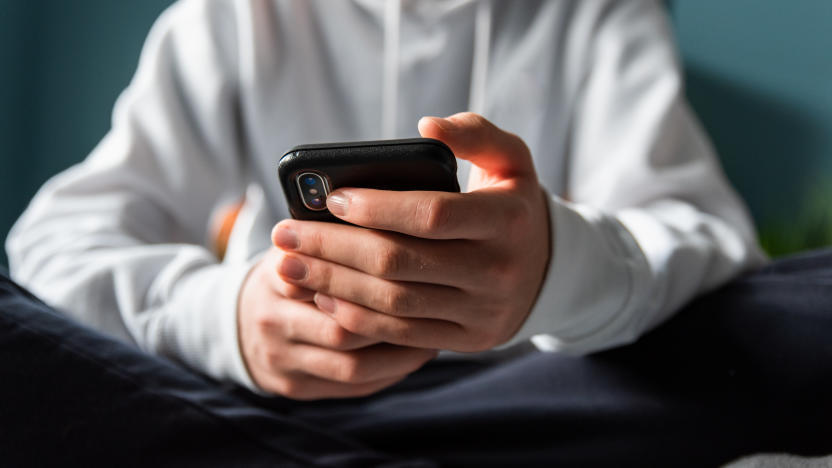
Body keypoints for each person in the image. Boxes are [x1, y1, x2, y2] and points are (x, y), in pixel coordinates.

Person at [10, 0, 826, 464]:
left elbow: (708, 237)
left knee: (806, 304)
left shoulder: (595, 12)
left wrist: (552, 270)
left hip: (525, 397)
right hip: (283, 395)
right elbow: (55, 239)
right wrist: (228, 320)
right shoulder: (231, 17)